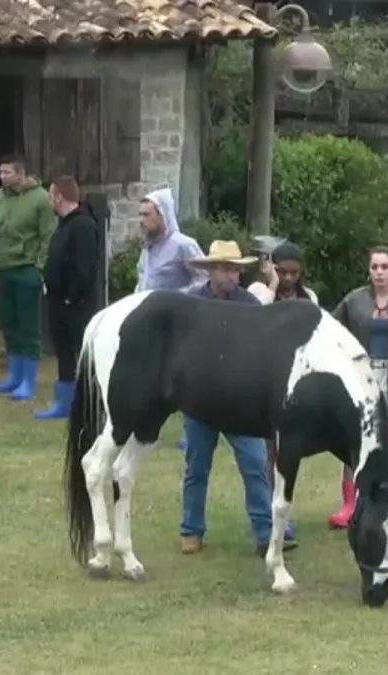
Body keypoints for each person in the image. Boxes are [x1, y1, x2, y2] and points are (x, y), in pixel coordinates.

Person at [178, 240, 297, 556]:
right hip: (200, 401)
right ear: (212, 271)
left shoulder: (250, 305)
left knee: (255, 463)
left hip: (240, 402)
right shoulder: (192, 305)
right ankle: (191, 530)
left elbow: (263, 349)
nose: (233, 275)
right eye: (227, 269)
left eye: (236, 269)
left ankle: (264, 531)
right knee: (196, 466)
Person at [327, 245, 388, 529]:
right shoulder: (354, 300)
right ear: (369, 271)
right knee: (355, 441)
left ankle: (387, 503)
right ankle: (351, 504)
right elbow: (330, 329)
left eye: (385, 267)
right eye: (374, 267)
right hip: (361, 378)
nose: (379, 273)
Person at [246, 241, 317, 544]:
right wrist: (272, 287)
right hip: (262, 378)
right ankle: (270, 513)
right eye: (281, 271)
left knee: (286, 450)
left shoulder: (308, 297)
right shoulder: (257, 293)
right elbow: (254, 323)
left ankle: (283, 510)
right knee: (267, 451)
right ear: (271, 268)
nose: (288, 278)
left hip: (295, 379)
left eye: (293, 273)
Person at [134, 187, 207, 450]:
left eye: (147, 214)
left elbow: (204, 278)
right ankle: (144, 428)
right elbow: (143, 279)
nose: (142, 220)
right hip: (149, 322)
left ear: (162, 214)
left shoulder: (183, 245)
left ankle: (193, 431)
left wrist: (174, 297)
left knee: (184, 379)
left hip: (178, 324)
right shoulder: (147, 248)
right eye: (140, 214)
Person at [0, 154, 56, 401]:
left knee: (28, 327)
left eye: (7, 173)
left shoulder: (41, 199)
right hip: (2, 270)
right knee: (8, 323)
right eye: (0, 172)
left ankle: (28, 381)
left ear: (21, 173)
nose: (2, 177)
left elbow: (48, 236)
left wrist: (39, 268)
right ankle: (13, 376)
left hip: (26, 270)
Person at [35, 176, 100, 420]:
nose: (49, 201)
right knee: (63, 353)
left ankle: (88, 406)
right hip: (58, 302)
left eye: (51, 196)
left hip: (76, 306)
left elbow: (85, 269)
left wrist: (70, 299)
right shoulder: (64, 223)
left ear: (59, 197)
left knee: (82, 355)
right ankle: (64, 403)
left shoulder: (83, 225)